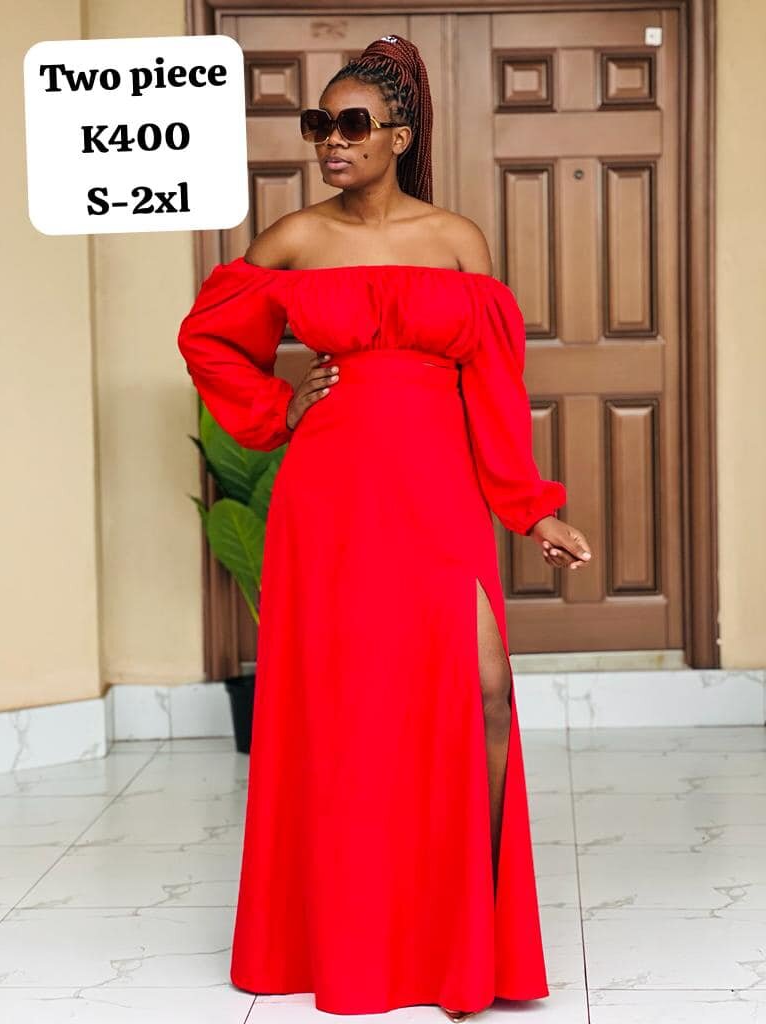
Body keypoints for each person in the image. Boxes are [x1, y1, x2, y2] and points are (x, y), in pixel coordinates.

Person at [177, 34, 592, 1021]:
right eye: (317, 123)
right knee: (350, 711)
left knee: (483, 690)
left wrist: (530, 505)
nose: (330, 139)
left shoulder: (455, 240)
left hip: (437, 485)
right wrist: (278, 408)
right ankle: (356, 937)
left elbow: (495, 386)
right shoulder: (293, 238)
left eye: (351, 123)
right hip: (332, 493)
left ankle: (472, 935)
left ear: (399, 136)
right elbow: (208, 336)